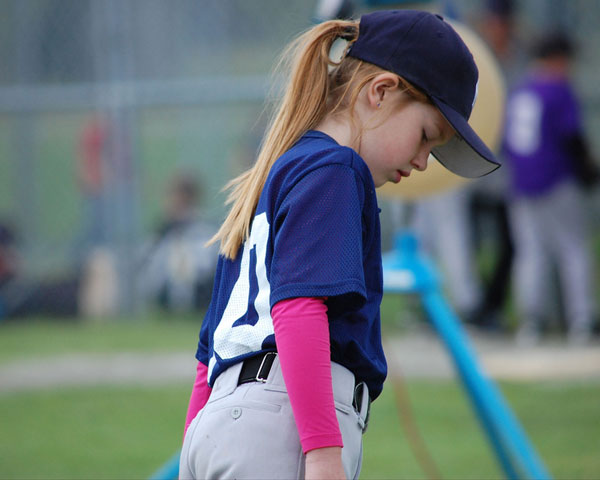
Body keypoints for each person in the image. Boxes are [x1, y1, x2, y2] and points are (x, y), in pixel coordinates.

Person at [179, 10, 500, 480]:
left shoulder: (277, 173)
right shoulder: (336, 171)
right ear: (381, 91)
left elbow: (209, 358)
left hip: (221, 428)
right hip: (282, 429)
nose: (424, 161)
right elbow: (299, 310)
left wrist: (194, 440)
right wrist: (325, 453)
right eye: (427, 136)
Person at [503, 31, 599, 346]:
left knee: (531, 254)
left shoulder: (520, 89)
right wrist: (588, 170)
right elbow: (572, 137)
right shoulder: (558, 89)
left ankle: (531, 322)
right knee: (573, 250)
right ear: (557, 59)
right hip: (557, 179)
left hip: (522, 182)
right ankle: (582, 320)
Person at [138, 174, 218, 313]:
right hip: (164, 290)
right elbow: (146, 259)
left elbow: (207, 263)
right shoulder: (162, 230)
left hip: (199, 289)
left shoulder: (203, 228)